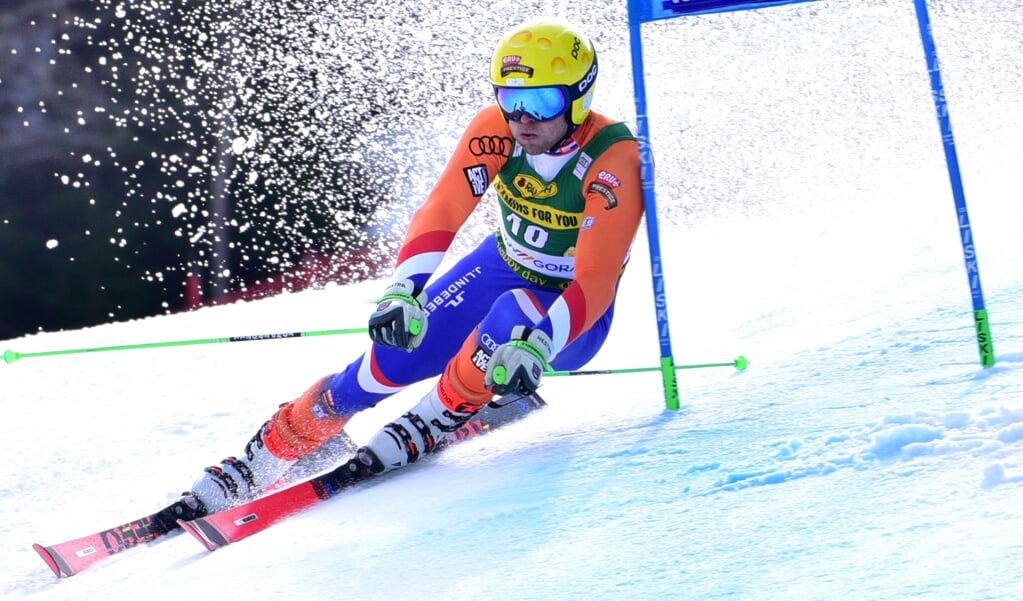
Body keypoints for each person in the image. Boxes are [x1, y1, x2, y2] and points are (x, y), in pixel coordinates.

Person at [188, 16, 645, 513]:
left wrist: (541, 342)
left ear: (578, 97)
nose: (522, 118)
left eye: (541, 101)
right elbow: (445, 208)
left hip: (572, 314)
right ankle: (272, 452)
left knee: (512, 320)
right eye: (509, 99)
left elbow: (595, 279)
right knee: (385, 362)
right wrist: (403, 290)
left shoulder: (614, 158)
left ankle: (435, 416)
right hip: (499, 267)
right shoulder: (497, 130)